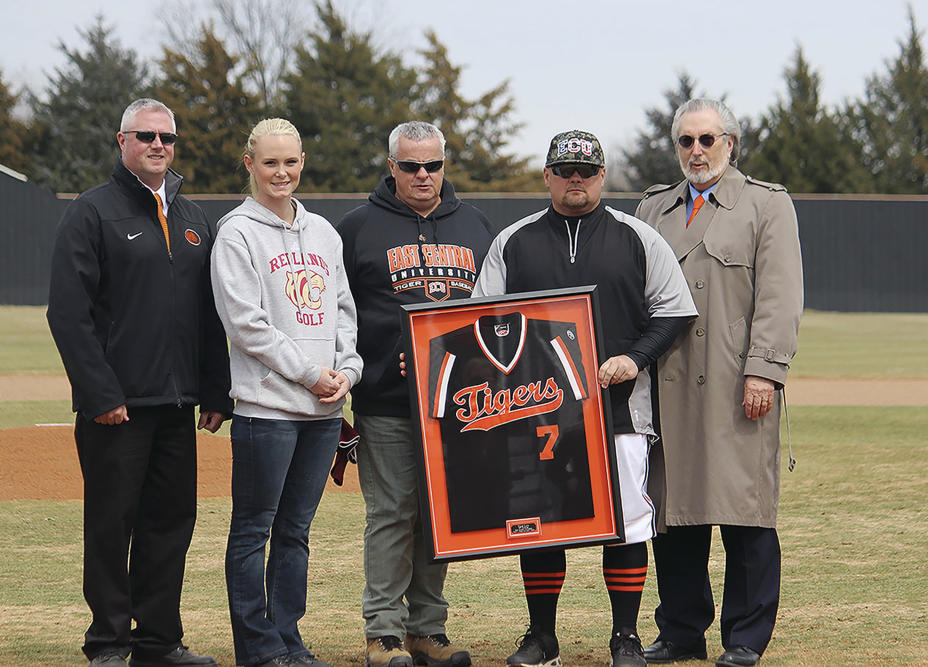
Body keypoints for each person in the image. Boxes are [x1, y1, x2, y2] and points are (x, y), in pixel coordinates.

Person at [473, 130, 697, 667]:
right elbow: (481, 320)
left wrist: (635, 359)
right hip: (535, 409)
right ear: (547, 175)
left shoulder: (636, 236)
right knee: (541, 521)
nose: (577, 180)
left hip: (618, 409)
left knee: (625, 524)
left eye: (587, 171)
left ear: (602, 175)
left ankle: (625, 636)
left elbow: (677, 310)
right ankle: (542, 637)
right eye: (566, 171)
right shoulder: (514, 240)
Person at [46, 98, 233, 667]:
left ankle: (158, 640)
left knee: (170, 524)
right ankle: (108, 641)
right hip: (117, 408)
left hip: (177, 405)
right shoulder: (91, 212)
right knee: (111, 524)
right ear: (122, 141)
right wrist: (101, 393)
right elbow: (68, 315)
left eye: (168, 138)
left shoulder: (194, 219)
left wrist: (215, 389)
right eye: (146, 135)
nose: (158, 145)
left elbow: (210, 312)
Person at [635, 99, 803, 667]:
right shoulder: (653, 208)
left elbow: (779, 298)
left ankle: (745, 638)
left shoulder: (766, 205)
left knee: (745, 513)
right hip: (666, 388)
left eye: (708, 139)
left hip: (737, 387)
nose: (696, 151)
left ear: (730, 143)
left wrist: (766, 370)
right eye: (686, 141)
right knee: (673, 516)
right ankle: (681, 631)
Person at [336, 121, 494, 667]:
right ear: (392, 168)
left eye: (432, 165)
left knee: (436, 512)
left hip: (457, 402)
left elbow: (495, 313)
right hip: (385, 398)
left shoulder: (475, 225)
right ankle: (383, 631)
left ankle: (427, 628)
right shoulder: (356, 228)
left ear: (445, 165)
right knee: (392, 510)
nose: (423, 175)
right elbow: (338, 315)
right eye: (410, 166)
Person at [210, 118, 362, 667]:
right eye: (270, 162)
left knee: (295, 532)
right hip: (267, 408)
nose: (282, 172)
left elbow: (343, 310)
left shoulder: (323, 232)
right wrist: (308, 372)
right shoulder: (237, 232)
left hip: (323, 410)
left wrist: (347, 369)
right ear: (249, 163)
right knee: (254, 531)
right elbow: (246, 324)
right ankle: (258, 648)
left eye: (291, 161)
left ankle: (288, 639)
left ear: (303, 162)